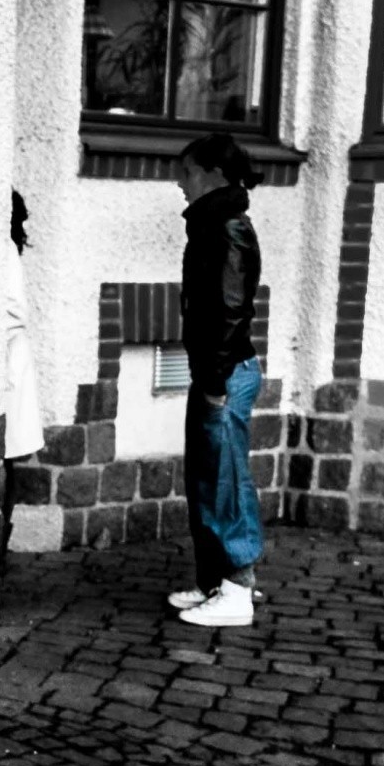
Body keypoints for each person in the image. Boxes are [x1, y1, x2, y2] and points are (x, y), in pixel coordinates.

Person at [168, 133, 264, 627]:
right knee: (210, 477)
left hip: (224, 373)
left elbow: (229, 311)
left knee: (224, 478)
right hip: (217, 371)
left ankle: (237, 590)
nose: (178, 182)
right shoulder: (213, 224)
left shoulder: (227, 228)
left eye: (185, 172)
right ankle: (216, 583)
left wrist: (215, 380)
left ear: (212, 174)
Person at [4, 190, 45, 461]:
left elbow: (15, 311)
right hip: (10, 356)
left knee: (7, 454)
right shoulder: (6, 248)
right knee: (7, 452)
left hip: (9, 357)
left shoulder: (5, 249)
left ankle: (5, 505)